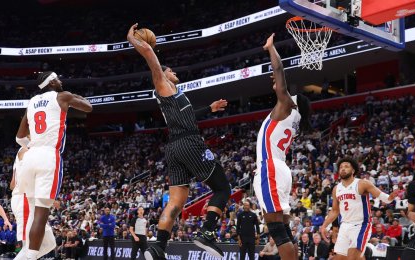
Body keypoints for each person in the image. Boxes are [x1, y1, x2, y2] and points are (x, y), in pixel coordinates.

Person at [127, 24, 231, 260]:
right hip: (188, 143)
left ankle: (158, 248)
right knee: (223, 188)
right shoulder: (163, 87)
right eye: (169, 70)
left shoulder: (176, 96)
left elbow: (190, 116)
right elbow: (152, 60)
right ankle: (207, 232)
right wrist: (135, 41)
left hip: (174, 148)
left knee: (176, 202)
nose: (173, 71)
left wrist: (210, 109)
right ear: (163, 75)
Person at [15, 71, 92, 260]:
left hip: (30, 156)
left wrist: (32, 147)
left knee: (34, 213)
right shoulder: (62, 96)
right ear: (51, 82)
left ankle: (26, 255)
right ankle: (31, 257)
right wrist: (74, 95)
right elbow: (88, 107)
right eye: (58, 78)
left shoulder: (32, 102)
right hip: (48, 155)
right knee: (41, 213)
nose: (61, 80)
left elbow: (19, 138)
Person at [253, 33, 312, 260]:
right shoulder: (295, 118)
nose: (279, 89)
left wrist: (271, 49)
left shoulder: (287, 104)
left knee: (277, 230)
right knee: (284, 229)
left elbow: (279, 73)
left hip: (271, 167)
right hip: (280, 169)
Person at [320, 157, 398, 260]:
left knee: (352, 257)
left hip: (360, 225)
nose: (343, 169)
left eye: (346, 166)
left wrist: (390, 198)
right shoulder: (336, 189)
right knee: (340, 258)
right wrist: (324, 226)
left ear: (353, 170)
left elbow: (383, 196)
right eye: (341, 167)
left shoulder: (362, 183)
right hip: (344, 226)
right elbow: (335, 211)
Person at [10, 145, 56, 260]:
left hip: (26, 198)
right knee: (30, 245)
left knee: (49, 243)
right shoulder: (27, 150)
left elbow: (12, 184)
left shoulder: (25, 151)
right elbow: (22, 182)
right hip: (25, 198)